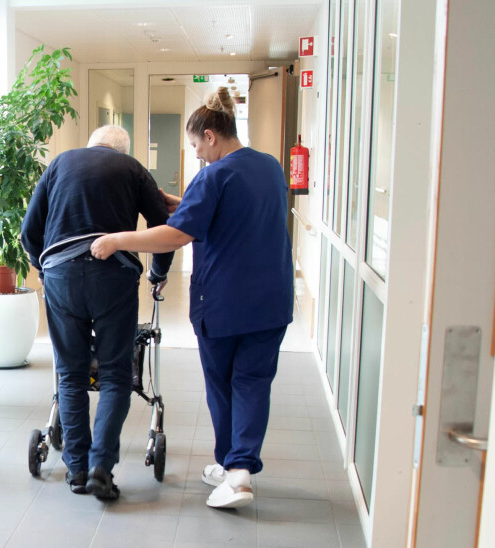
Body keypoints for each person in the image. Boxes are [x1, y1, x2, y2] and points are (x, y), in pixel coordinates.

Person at [90, 88, 293, 509]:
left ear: (211, 135)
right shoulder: (269, 167)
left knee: (222, 386)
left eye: (196, 145)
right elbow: (234, 214)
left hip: (226, 305)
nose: (197, 154)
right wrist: (184, 204)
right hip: (271, 302)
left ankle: (236, 473)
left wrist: (115, 240)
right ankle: (237, 467)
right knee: (253, 383)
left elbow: (176, 235)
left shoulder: (213, 176)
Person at [21, 125, 173, 501]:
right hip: (114, 278)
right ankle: (101, 470)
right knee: (116, 374)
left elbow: (29, 231)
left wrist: (48, 270)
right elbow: (163, 227)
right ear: (122, 149)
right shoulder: (133, 168)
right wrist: (158, 274)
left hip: (61, 276)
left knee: (71, 376)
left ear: (90, 145)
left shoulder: (59, 164)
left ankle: (76, 471)